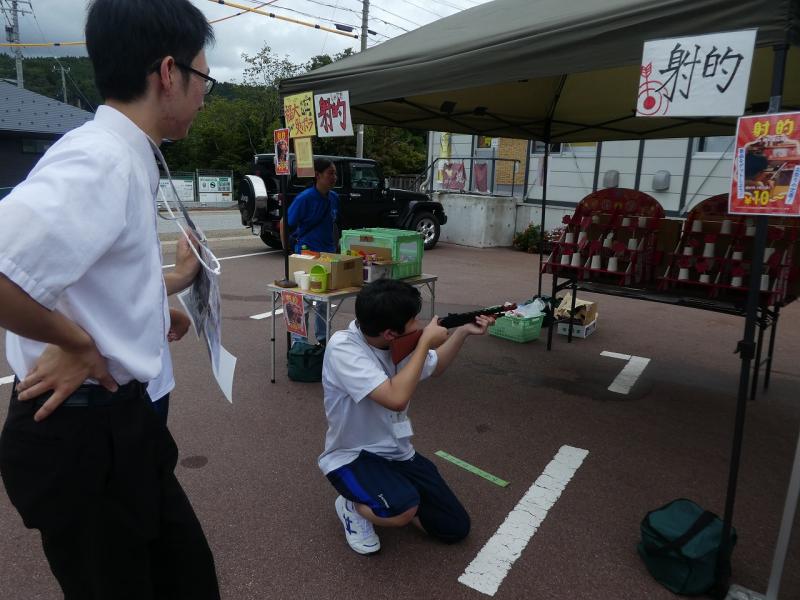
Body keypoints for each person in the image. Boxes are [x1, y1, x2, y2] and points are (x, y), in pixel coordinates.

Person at [0, 1, 220, 598]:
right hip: (81, 433)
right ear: (169, 73)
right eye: (204, 79)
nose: (205, 96)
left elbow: (90, 273)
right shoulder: (101, 158)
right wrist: (75, 342)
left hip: (116, 423)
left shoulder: (125, 153)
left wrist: (151, 304)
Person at [318, 278, 494, 555]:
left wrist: (462, 332)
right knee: (402, 510)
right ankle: (352, 506)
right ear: (390, 333)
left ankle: (392, 494)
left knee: (454, 528)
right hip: (352, 456)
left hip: (397, 451)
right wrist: (424, 344)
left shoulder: (399, 343)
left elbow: (435, 366)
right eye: (414, 320)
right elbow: (396, 399)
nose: (420, 324)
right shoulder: (344, 347)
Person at [286, 157, 339, 344]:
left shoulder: (334, 198)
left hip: (328, 255)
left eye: (335, 173)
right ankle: (299, 343)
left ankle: (323, 339)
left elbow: (333, 224)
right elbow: (286, 222)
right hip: (306, 255)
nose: (334, 177)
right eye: (330, 173)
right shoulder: (305, 198)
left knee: (325, 300)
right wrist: (288, 250)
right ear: (317, 175)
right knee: (303, 300)